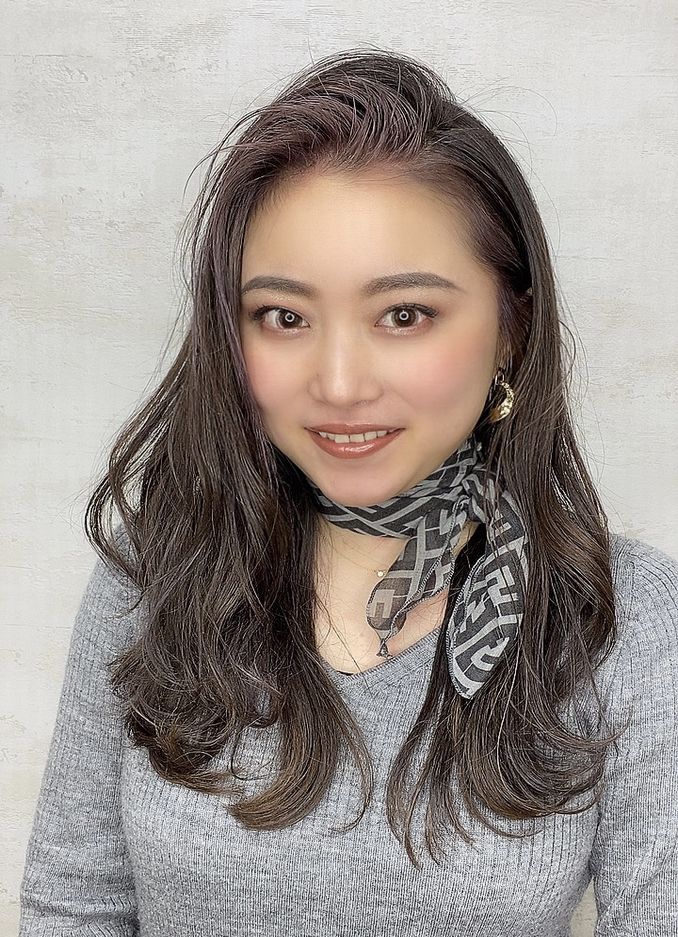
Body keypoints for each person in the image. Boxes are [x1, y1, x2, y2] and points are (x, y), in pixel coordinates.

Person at [19, 47, 678, 937]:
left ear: (511, 327)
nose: (338, 383)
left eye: (404, 315)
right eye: (284, 316)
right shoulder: (155, 573)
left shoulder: (625, 617)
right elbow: (75, 908)